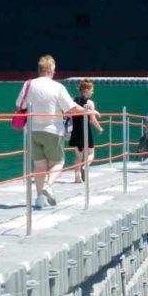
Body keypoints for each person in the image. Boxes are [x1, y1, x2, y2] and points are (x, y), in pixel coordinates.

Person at [16, 55, 86, 209]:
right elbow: (72, 108)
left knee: (39, 166)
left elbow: (19, 105)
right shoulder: (58, 87)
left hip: (33, 130)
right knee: (58, 162)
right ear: (52, 70)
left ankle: (40, 199)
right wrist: (88, 112)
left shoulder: (28, 84)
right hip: (52, 130)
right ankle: (48, 186)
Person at [68, 79, 103, 183]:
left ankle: (77, 177)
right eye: (91, 90)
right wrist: (99, 128)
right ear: (86, 90)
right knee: (91, 153)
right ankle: (85, 166)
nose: (92, 92)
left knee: (78, 155)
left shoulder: (73, 100)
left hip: (75, 130)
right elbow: (92, 119)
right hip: (85, 129)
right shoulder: (90, 103)